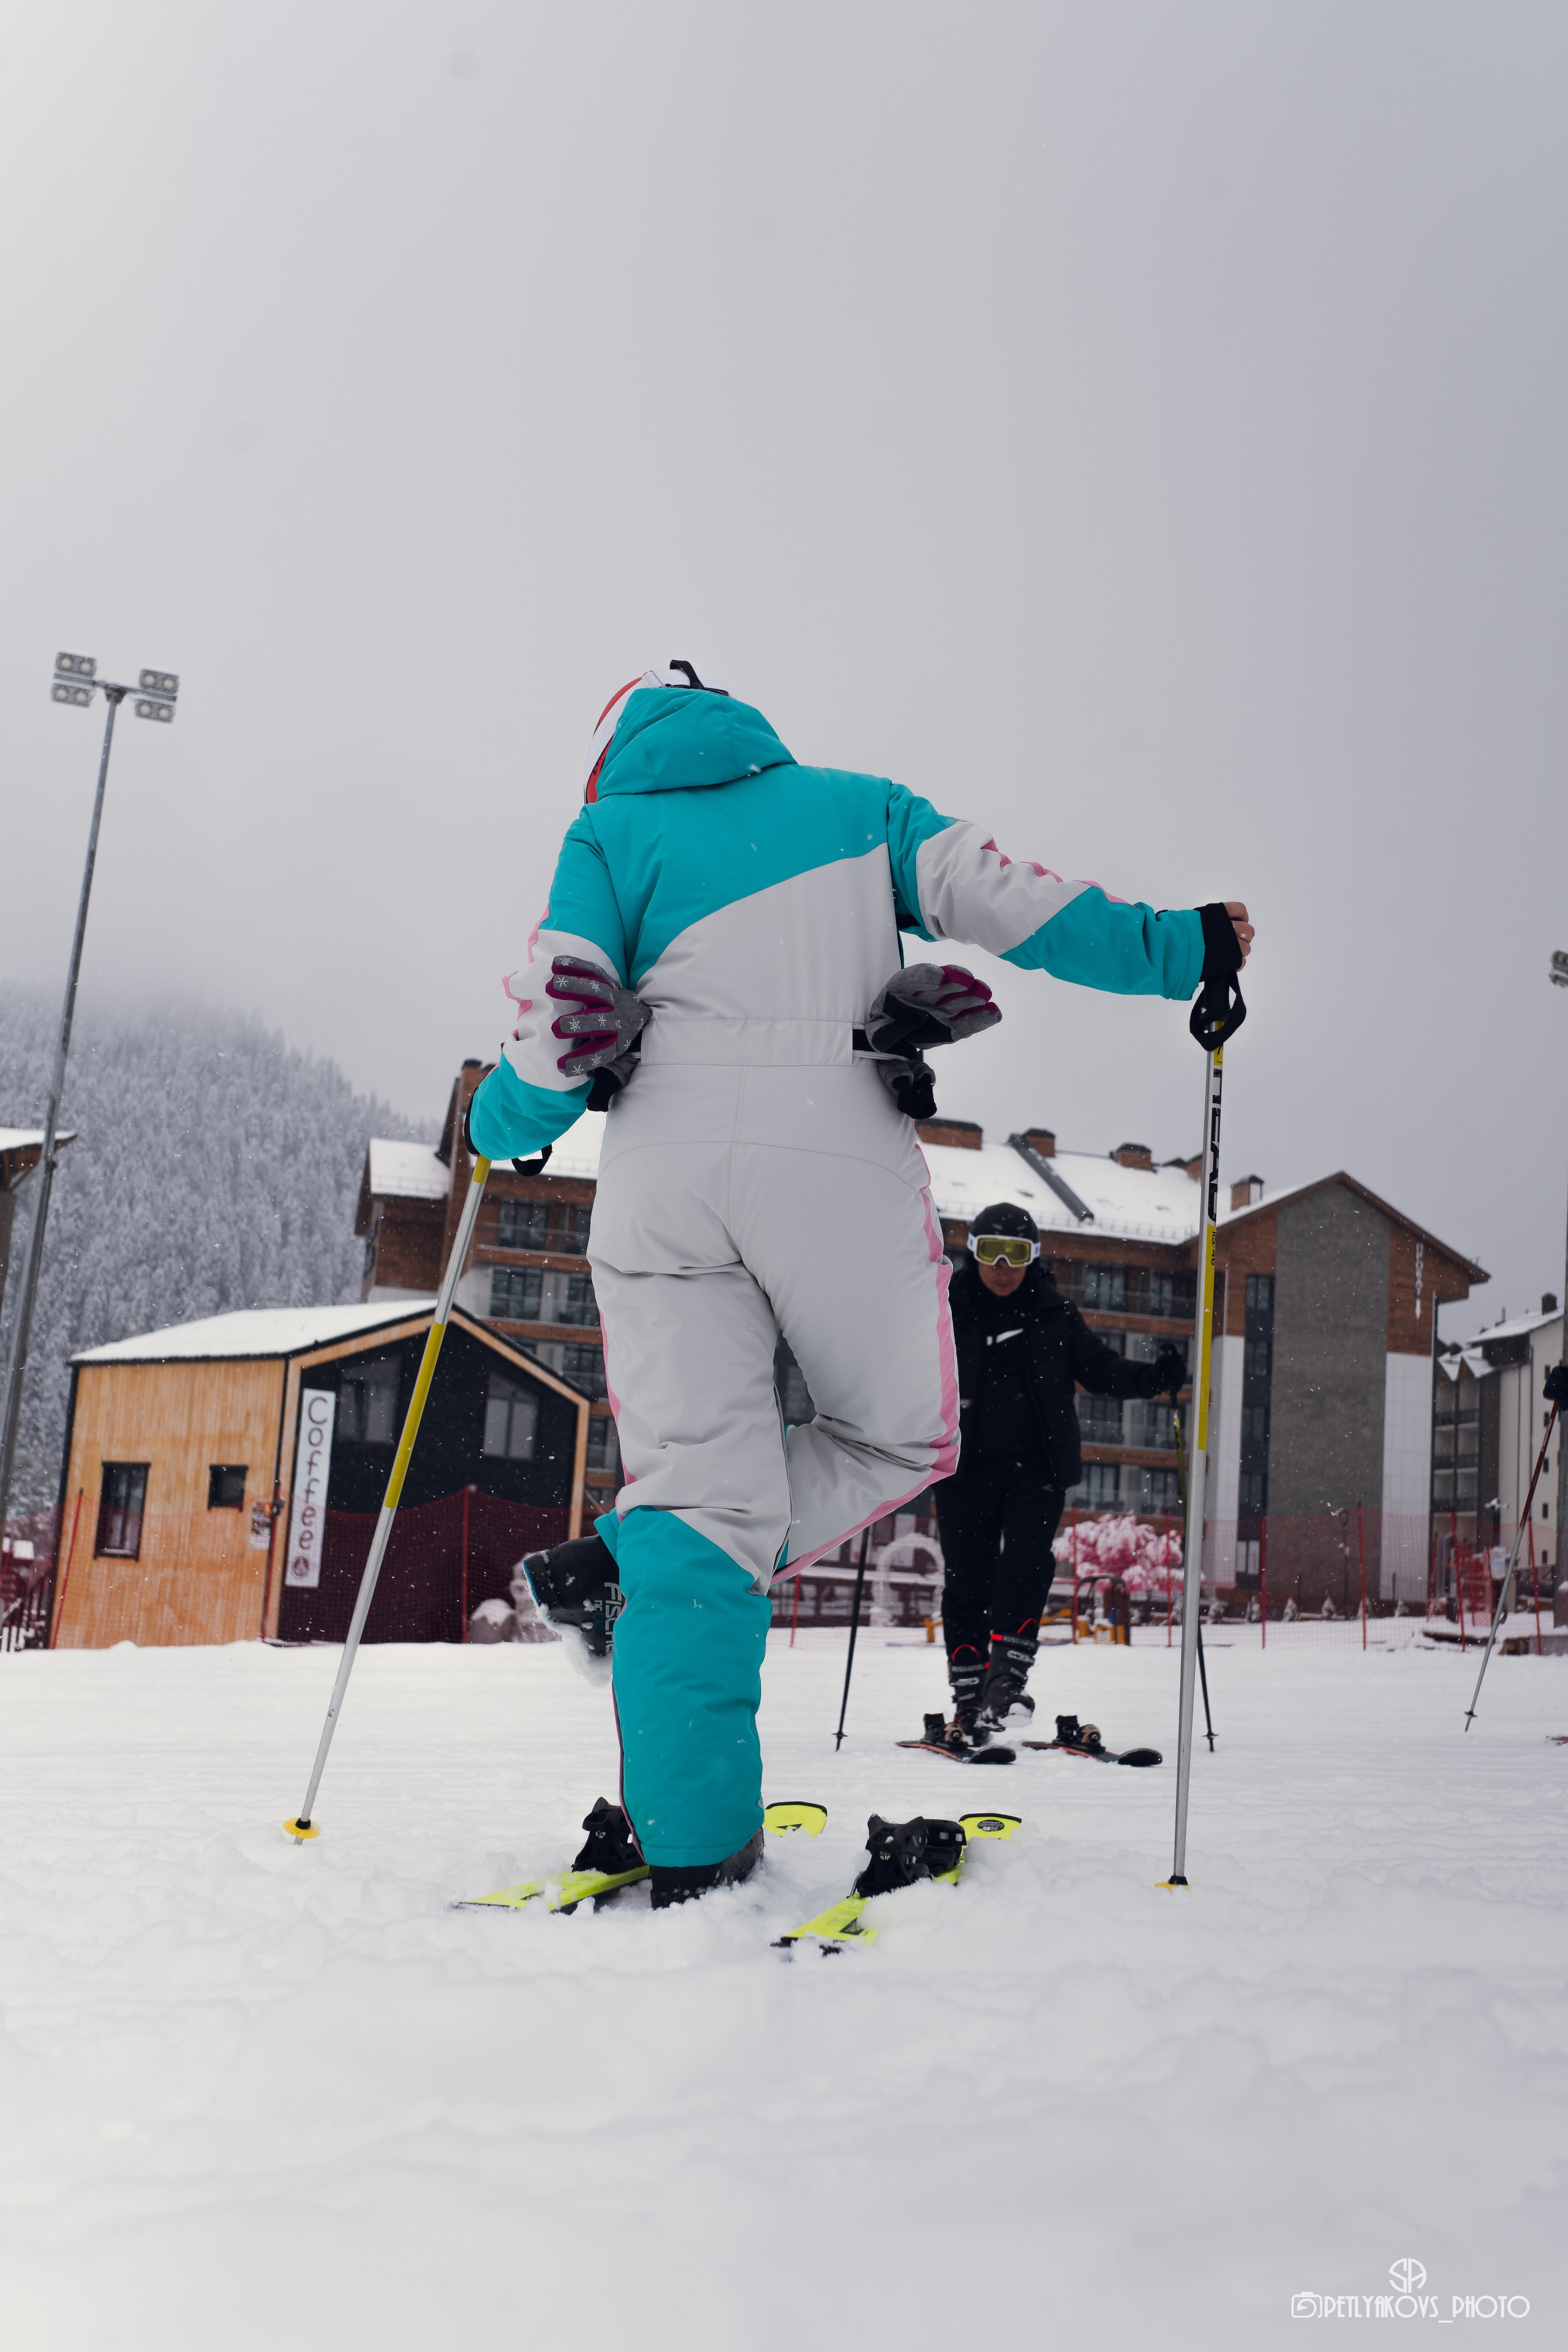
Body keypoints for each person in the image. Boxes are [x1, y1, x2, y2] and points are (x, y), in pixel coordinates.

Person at [466, 663, 1252, 1904]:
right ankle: (635, 1559)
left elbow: (557, 1017)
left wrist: (498, 1122)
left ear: (611, 753)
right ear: (751, 733)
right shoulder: (854, 808)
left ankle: (694, 1842)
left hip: (661, 1158)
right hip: (832, 1139)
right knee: (898, 1435)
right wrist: (1181, 948)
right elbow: (1012, 903)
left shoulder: (605, 833)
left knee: (700, 1508)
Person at [933, 1202, 1188, 1747]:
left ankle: (1007, 1681)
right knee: (967, 1580)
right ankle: (967, 1696)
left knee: (1025, 1566)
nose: (1003, 1266)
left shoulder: (1056, 1315)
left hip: (1037, 1469)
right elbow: (902, 1367)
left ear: (1034, 1258)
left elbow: (1100, 1370)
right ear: (971, 1254)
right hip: (962, 1468)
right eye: (991, 1253)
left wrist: (1153, 1379)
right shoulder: (945, 1310)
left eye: (1017, 1254)